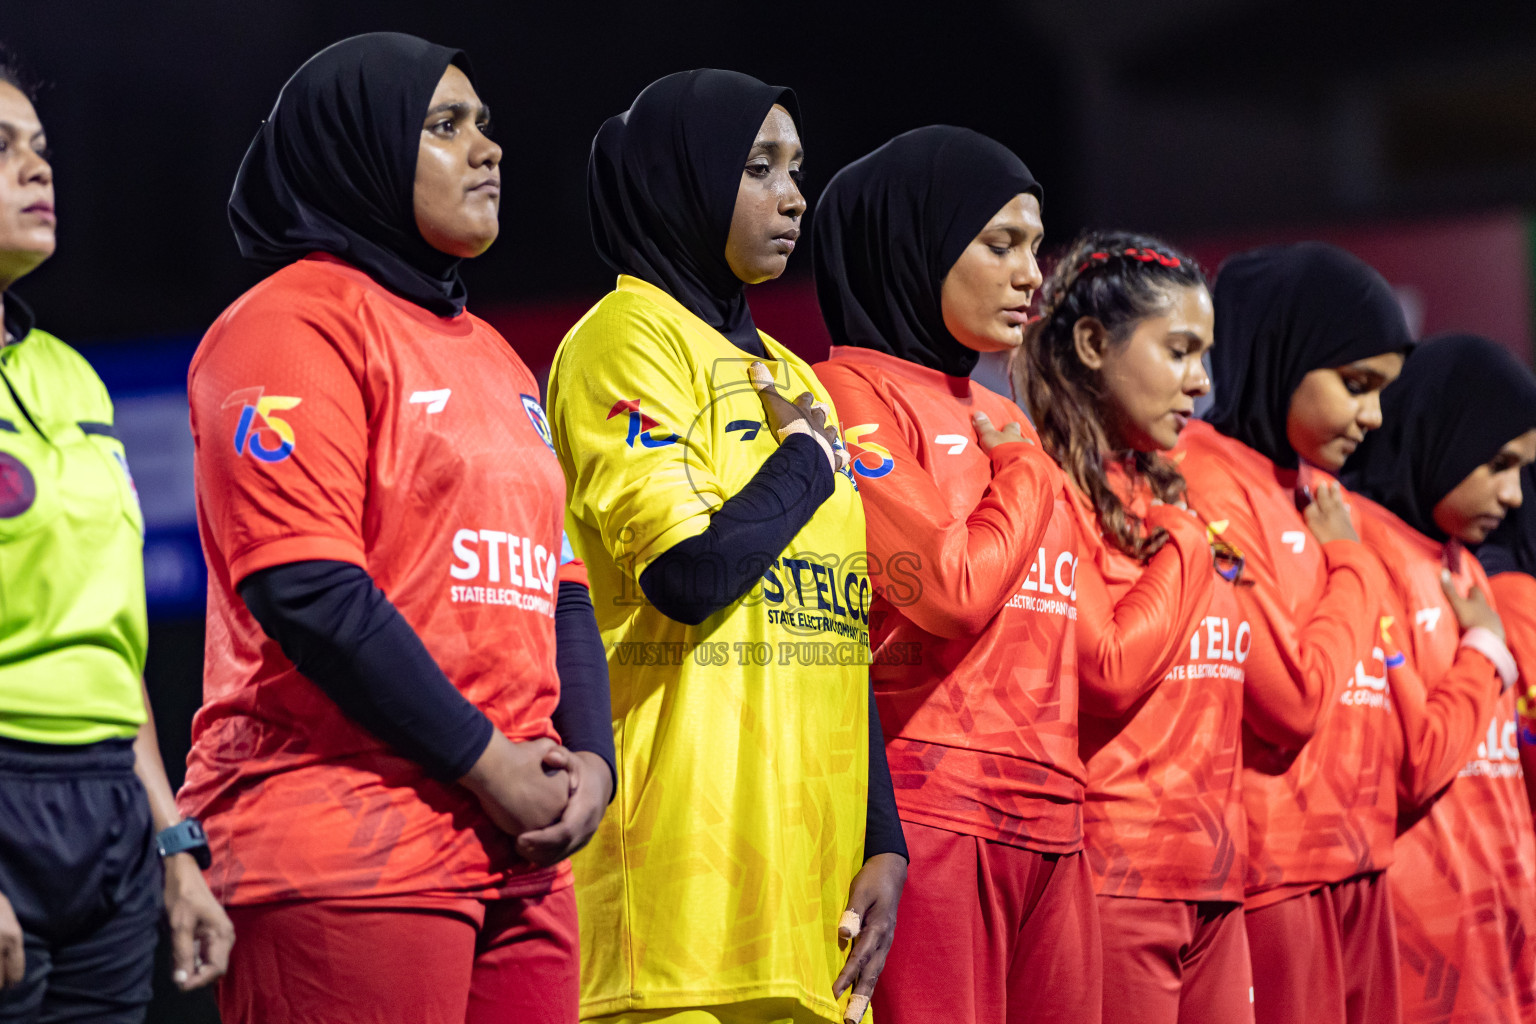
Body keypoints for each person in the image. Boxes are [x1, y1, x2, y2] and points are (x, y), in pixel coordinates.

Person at [177, 33, 613, 1024]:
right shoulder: (286, 325)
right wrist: (491, 763)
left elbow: (560, 583)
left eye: (487, 126)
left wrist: (593, 765)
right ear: (358, 148)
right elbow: (309, 591)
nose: (488, 148)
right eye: (446, 126)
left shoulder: (499, 356)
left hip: (520, 854)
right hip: (344, 838)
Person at [546, 70, 906, 1024]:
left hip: (810, 908)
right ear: (688, 178)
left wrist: (884, 840)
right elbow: (688, 572)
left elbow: (839, 620)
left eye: (797, 170)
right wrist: (802, 463)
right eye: (759, 168)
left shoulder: (795, 379)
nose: (794, 197)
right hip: (676, 915)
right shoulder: (622, 340)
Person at [813, 125, 1100, 1024]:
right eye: (1001, 244)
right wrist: (1023, 469)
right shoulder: (850, 390)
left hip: (1057, 820)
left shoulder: (1001, 413)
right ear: (919, 243)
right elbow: (945, 588)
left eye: (1036, 247)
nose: (1032, 275)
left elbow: (1085, 645)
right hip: (934, 813)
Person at [0, 49, 233, 1021]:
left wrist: (175, 845)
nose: (38, 167)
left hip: (107, 813)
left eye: (41, 147)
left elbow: (113, 641)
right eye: (2, 148)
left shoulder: (74, 379)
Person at [1018, 231, 1254, 1022]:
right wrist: (1191, 537)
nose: (1201, 383)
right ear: (1092, 342)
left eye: (1206, 355)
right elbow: (1108, 669)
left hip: (1220, 878)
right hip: (1120, 874)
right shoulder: (1048, 487)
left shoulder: (1171, 485)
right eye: (1180, 351)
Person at [1175, 242, 1408, 1024]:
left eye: (1382, 391)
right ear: (1283, 351)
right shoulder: (1203, 476)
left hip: (1361, 859)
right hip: (1275, 871)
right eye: (1356, 385)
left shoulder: (1319, 491)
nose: (1372, 416)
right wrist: (1352, 564)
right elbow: (1292, 700)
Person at [1342, 333, 1536, 1024]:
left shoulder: (1466, 564)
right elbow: (1413, 763)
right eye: (1500, 465)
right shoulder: (1363, 550)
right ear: (1441, 434)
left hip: (1502, 929)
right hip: (1426, 938)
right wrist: (1486, 647)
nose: (1514, 496)